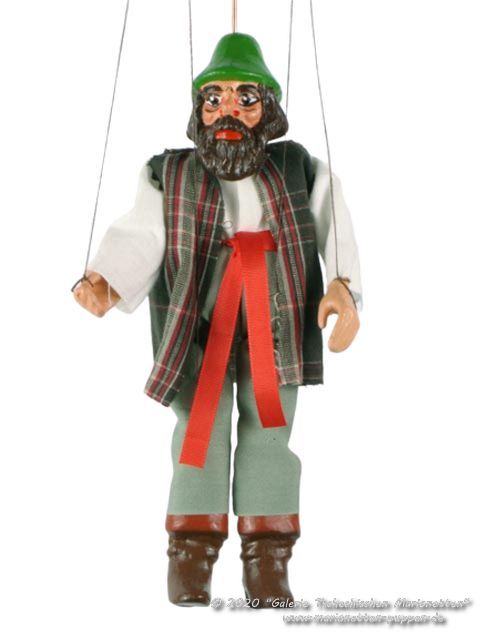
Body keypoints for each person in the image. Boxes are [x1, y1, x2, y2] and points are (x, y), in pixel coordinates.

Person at [73, 33, 362, 608]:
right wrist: (109, 278)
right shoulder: (170, 172)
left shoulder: (298, 167)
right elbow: (143, 234)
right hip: (195, 310)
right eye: (214, 99)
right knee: (197, 426)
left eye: (244, 98)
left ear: (269, 108)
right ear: (198, 109)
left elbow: (334, 221)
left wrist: (343, 286)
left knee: (270, 424)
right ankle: (191, 552)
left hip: (277, 307)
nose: (227, 110)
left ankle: (267, 558)